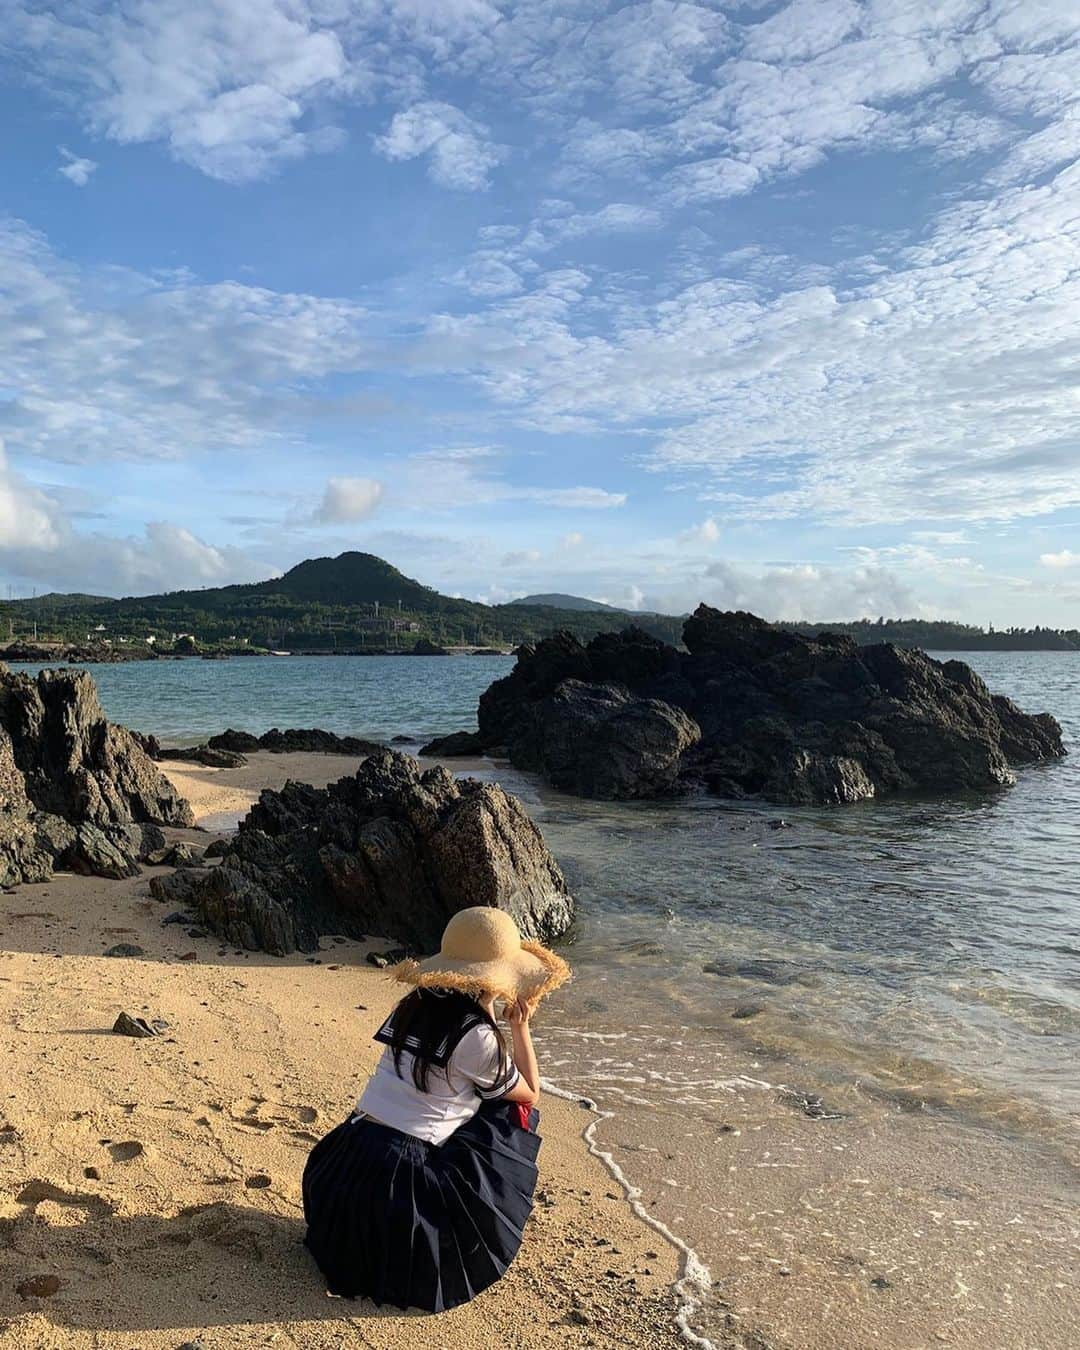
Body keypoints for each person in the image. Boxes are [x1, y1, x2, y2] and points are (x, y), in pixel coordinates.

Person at [302, 906, 570, 1312]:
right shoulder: (479, 1039)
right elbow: (531, 1093)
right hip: (395, 1186)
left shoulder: (414, 1005)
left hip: (343, 1165)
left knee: (489, 1093)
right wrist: (520, 1027)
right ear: (497, 977)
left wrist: (492, 1016)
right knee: (512, 1111)